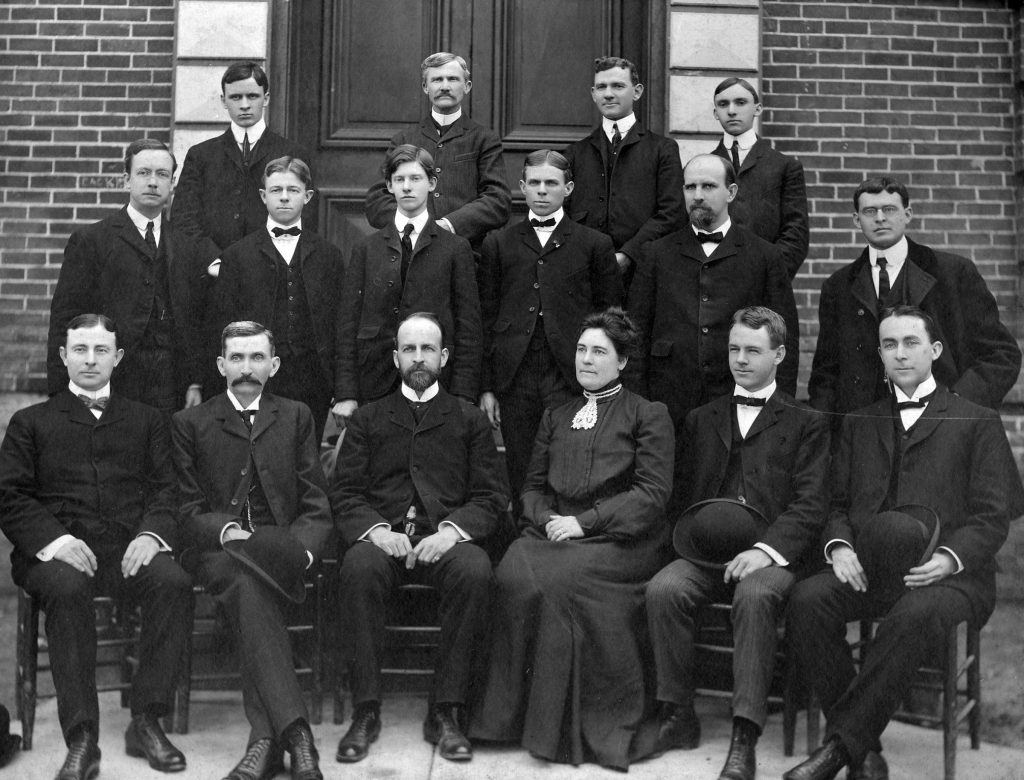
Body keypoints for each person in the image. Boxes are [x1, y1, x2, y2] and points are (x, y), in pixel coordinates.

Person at [783, 305, 1024, 780]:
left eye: (911, 343)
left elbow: (994, 516)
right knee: (808, 599)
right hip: (872, 566)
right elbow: (835, 503)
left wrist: (950, 558)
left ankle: (838, 751)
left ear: (934, 351)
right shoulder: (859, 420)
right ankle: (865, 750)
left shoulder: (975, 419)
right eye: (889, 345)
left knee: (913, 614)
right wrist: (839, 547)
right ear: (879, 354)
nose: (900, 353)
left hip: (953, 576)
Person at [471, 307, 674, 771]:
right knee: (514, 568)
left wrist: (586, 523)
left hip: (620, 544)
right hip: (554, 537)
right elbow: (532, 487)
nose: (586, 359)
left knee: (560, 580)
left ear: (622, 361)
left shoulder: (647, 414)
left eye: (599, 351)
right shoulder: (556, 415)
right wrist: (546, 520)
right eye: (582, 349)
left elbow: (652, 494)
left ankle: (568, 728)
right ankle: (506, 721)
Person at [1, 314, 191, 779]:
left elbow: (168, 490)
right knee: (66, 590)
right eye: (80, 350)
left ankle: (146, 720)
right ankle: (83, 737)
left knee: (173, 580)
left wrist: (151, 534)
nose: (90, 360)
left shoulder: (147, 420)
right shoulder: (31, 422)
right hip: (56, 555)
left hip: (127, 547)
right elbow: (10, 495)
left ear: (118, 358)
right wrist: (57, 541)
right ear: (64, 356)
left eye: (101, 350)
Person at [645, 306, 829, 780]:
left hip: (773, 556)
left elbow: (811, 506)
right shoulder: (702, 419)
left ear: (780, 355)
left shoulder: (806, 421)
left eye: (753, 350)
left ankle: (743, 737)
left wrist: (765, 551)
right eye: (734, 349)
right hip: (706, 553)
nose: (741, 360)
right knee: (664, 589)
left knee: (755, 595)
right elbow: (680, 496)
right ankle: (678, 714)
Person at [331, 313, 505, 764]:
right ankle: (366, 710)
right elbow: (345, 492)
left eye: (428, 349)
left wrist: (451, 532)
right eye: (409, 349)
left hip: (444, 539)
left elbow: (491, 496)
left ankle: (446, 711)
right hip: (386, 536)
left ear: (444, 357)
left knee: (475, 571)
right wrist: (376, 531)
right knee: (358, 567)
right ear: (395, 357)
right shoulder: (369, 419)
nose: (418, 358)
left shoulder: (468, 420)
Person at [172, 321, 332, 780]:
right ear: (221, 366)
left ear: (274, 365)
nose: (246, 369)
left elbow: (315, 502)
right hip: (220, 551)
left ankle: (263, 744)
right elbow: (185, 509)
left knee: (254, 583)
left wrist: (300, 553)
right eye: (237, 359)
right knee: (246, 583)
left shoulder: (296, 415)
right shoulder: (190, 423)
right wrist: (226, 533)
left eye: (257, 358)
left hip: (280, 548)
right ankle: (293, 735)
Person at [808, 177, 1021, 427]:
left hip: (940, 428)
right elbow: (826, 375)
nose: (879, 218)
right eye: (869, 211)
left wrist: (956, 405)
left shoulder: (954, 273)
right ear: (857, 219)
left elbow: (1000, 355)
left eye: (889, 209)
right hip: (865, 432)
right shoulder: (838, 286)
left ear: (907, 214)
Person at [478, 149, 623, 504]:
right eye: (535, 183)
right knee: (521, 465)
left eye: (552, 184)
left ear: (568, 188)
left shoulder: (593, 244)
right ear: (522, 188)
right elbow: (485, 317)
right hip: (516, 376)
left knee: (571, 461)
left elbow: (612, 318)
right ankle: (524, 535)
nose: (542, 191)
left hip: (571, 375)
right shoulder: (499, 242)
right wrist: (487, 387)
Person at [627, 153, 799, 431]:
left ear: (731, 192)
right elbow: (635, 335)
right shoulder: (656, 254)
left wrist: (780, 408)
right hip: (667, 403)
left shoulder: (765, 256)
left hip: (738, 400)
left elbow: (783, 339)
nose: (697, 195)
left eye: (708, 186)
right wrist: (638, 405)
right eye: (690, 187)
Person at [47, 139, 205, 414]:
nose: (153, 182)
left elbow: (194, 322)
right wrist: (62, 395)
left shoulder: (186, 246)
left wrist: (195, 382)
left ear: (172, 183)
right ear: (126, 180)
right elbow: (65, 320)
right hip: (111, 381)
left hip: (169, 386)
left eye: (162, 174)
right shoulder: (93, 240)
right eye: (144, 173)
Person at [334, 145, 481, 420]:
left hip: (438, 383)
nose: (407, 187)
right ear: (389, 185)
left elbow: (468, 327)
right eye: (399, 180)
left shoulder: (455, 248)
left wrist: (463, 394)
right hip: (376, 382)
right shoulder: (367, 249)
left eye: (416, 179)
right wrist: (346, 393)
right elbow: (348, 325)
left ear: (432, 183)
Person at [216, 156, 344, 441]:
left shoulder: (328, 255)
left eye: (293, 190)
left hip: (313, 380)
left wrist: (343, 388)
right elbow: (222, 324)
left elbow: (342, 326)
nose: (284, 198)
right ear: (263, 196)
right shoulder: (238, 256)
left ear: (308, 196)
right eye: (276, 190)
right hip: (255, 379)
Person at [173, 61, 315, 266]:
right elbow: (184, 219)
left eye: (253, 96)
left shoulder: (293, 153)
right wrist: (213, 261)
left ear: (266, 98)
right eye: (236, 97)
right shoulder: (201, 155)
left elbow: (306, 218)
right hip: (214, 275)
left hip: (272, 270)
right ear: (223, 100)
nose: (245, 105)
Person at [364, 52, 511, 248]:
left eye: (452, 79)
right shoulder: (404, 139)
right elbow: (377, 201)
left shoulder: (484, 139)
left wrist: (449, 225)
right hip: (409, 252)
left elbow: (497, 200)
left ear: (467, 87)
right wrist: (415, 226)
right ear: (425, 87)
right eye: (437, 80)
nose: (444, 86)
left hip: (466, 251)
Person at [563, 56, 684, 288]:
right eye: (601, 87)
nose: (608, 94)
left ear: (637, 92)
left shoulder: (662, 150)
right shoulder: (575, 153)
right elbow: (564, 213)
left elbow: (672, 213)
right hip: (585, 275)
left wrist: (628, 254)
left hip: (644, 272)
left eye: (618, 86)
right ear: (593, 94)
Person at [709, 77, 809, 278]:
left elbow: (795, 233)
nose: (731, 111)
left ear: (757, 109)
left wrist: (769, 275)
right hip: (713, 283)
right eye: (723, 104)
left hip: (766, 282)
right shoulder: (704, 167)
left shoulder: (784, 166)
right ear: (715, 113)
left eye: (740, 102)